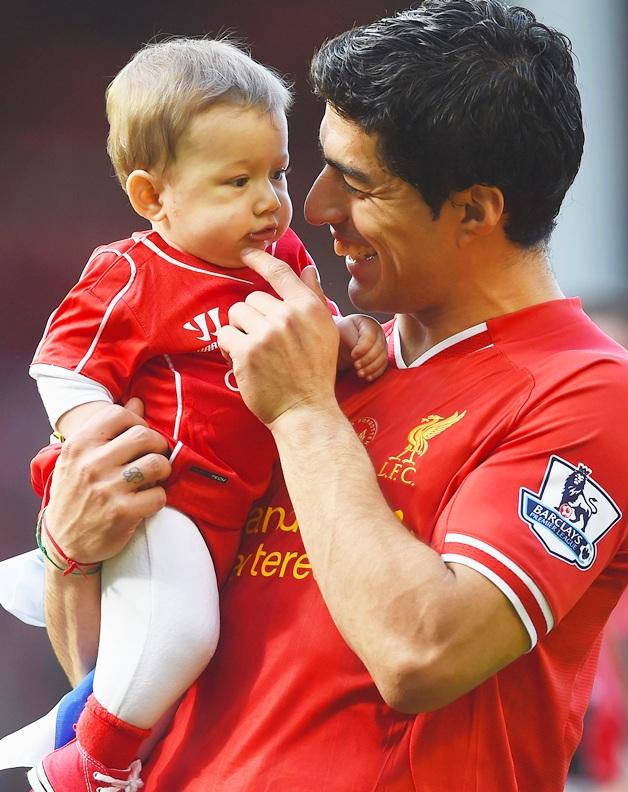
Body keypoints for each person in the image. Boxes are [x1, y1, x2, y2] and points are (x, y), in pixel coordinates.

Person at [33, 1, 628, 790]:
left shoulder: (588, 393)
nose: (315, 207)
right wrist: (72, 549)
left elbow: (423, 653)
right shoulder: (302, 354)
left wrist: (304, 415)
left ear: (475, 211)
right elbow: (115, 670)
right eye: (319, 166)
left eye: (359, 183)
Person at [20, 36, 387, 792]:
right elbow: (61, 364)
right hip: (172, 498)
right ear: (154, 197)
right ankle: (90, 761)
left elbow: (313, 327)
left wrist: (352, 335)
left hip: (234, 508)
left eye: (278, 173)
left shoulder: (281, 253)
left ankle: (79, 722)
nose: (270, 200)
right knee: (181, 634)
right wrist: (92, 439)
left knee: (170, 645)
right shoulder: (133, 271)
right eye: (236, 180)